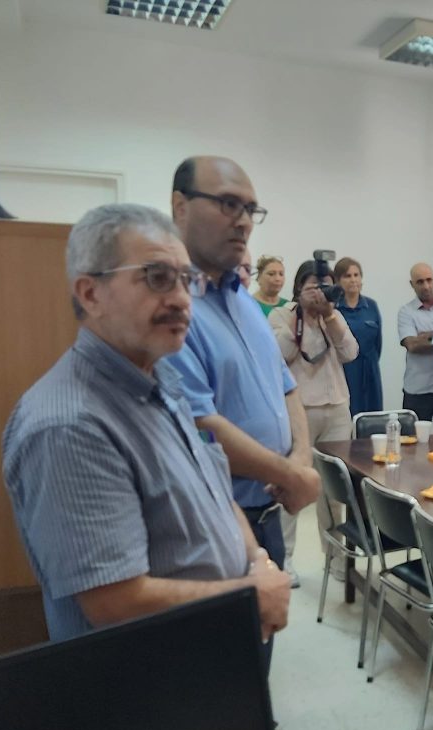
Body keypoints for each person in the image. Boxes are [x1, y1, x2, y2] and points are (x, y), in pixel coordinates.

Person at [2, 203, 290, 644]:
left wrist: (257, 562)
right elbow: (115, 602)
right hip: (150, 677)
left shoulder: (163, 379)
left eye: (186, 280)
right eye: (157, 278)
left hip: (216, 644)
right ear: (90, 294)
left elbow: (214, 492)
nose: (181, 299)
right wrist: (249, 595)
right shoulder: (69, 426)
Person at [168, 156, 321, 677]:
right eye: (227, 204)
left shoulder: (243, 302)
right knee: (219, 676)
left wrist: (300, 462)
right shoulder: (172, 308)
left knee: (256, 662)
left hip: (266, 515)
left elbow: (286, 387)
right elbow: (199, 427)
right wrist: (291, 475)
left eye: (250, 209)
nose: (242, 221)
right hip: (215, 526)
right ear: (180, 206)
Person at [269, 261, 358, 582]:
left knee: (334, 489)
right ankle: (284, 559)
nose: (320, 293)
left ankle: (335, 557)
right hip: (300, 411)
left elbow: (350, 352)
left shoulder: (333, 315)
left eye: (325, 286)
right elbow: (278, 355)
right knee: (292, 483)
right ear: (299, 288)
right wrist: (301, 316)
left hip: (337, 409)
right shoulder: (281, 315)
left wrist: (329, 315)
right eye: (313, 287)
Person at [397, 262, 433, 428]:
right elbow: (412, 345)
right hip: (417, 390)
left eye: (429, 280)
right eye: (420, 282)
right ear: (412, 284)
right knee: (414, 441)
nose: (426, 286)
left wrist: (425, 336)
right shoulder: (406, 312)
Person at [333, 257, 383, 416]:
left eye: (356, 275)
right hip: (344, 370)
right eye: (347, 276)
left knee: (372, 418)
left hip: (369, 371)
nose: (353, 280)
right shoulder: (334, 308)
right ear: (337, 281)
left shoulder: (371, 305)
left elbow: (378, 344)